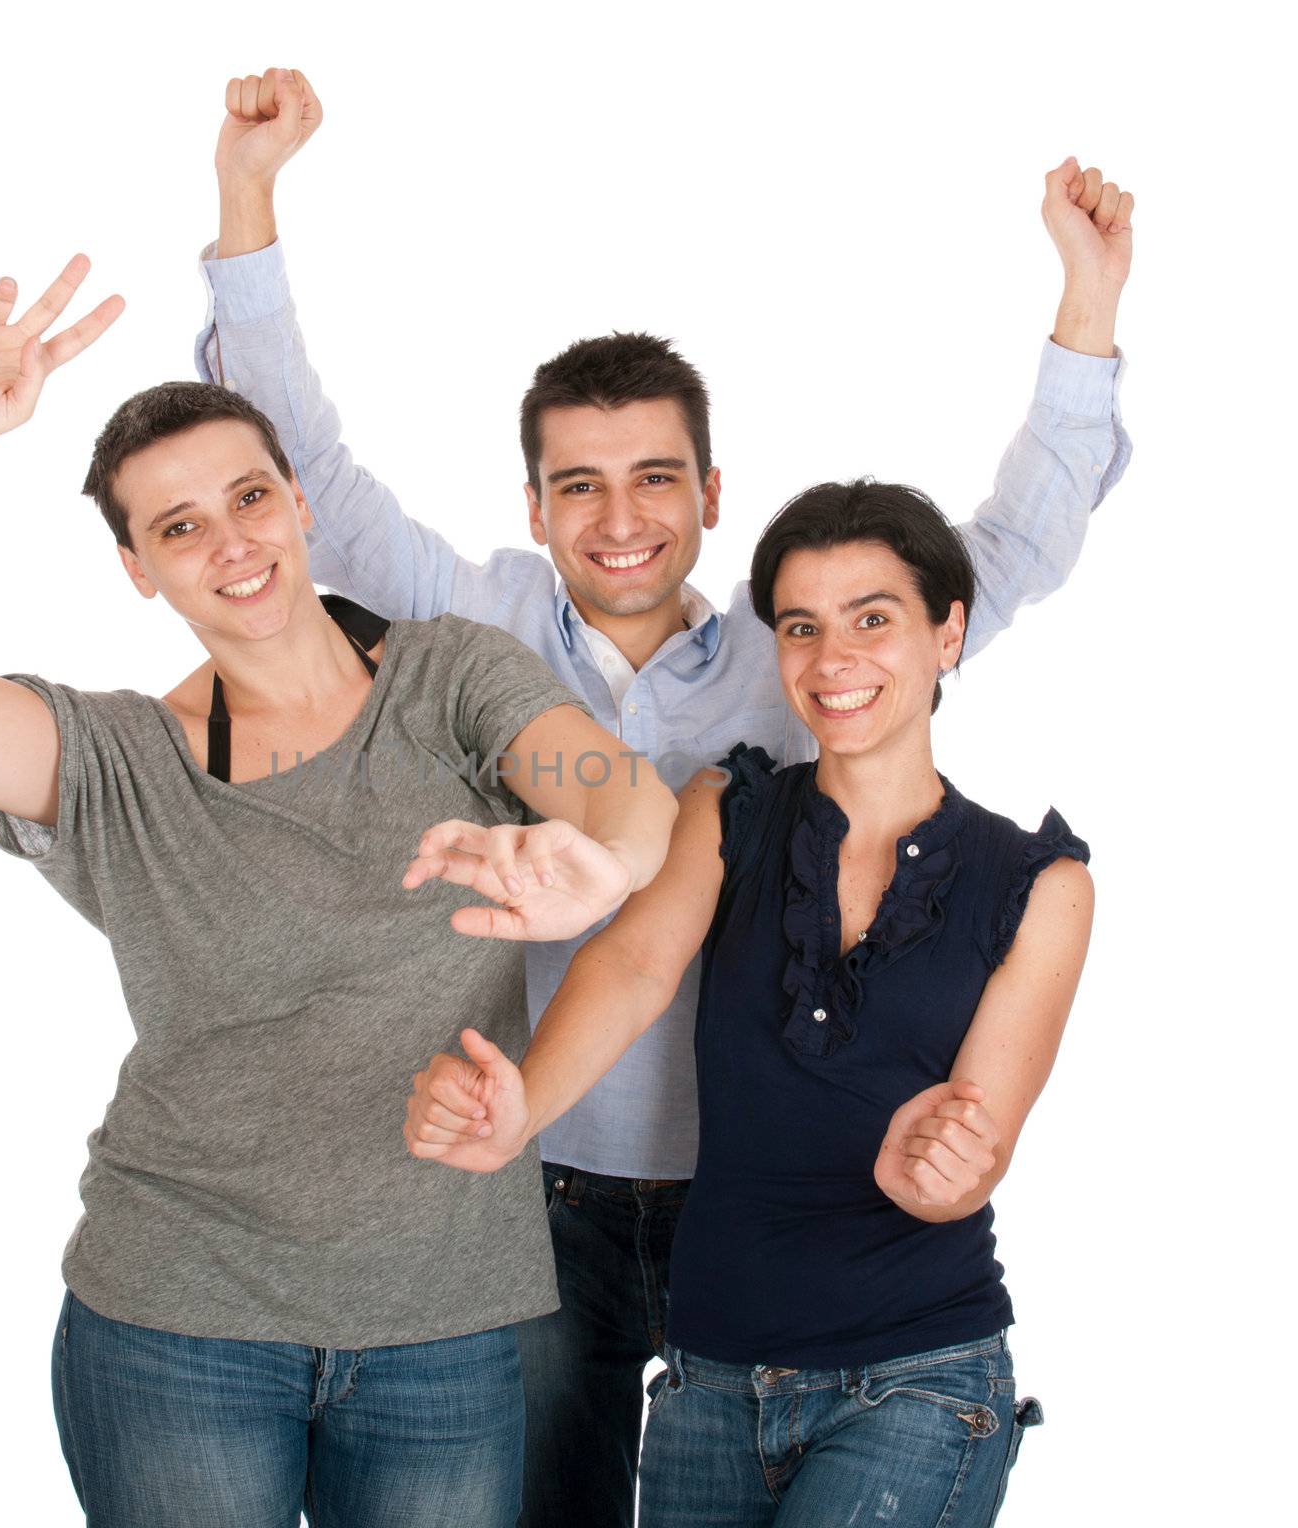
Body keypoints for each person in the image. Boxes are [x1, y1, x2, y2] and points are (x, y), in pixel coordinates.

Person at [196, 66, 1132, 1526]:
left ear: (711, 491)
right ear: (533, 508)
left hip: (756, 1204)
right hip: (543, 1191)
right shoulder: (478, 626)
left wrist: (1086, 310)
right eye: (578, 486)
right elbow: (306, 470)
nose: (619, 520)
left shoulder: (807, 649)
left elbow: (1006, 549)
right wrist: (248, 203)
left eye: (653, 480)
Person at [0, 254, 677, 1527]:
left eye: (249, 497)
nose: (231, 542)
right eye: (179, 527)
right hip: (176, 1323)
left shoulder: (452, 678)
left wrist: (601, 868)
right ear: (138, 567)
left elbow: (627, 793)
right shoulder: (116, 761)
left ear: (298, 502)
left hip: (444, 1328)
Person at [405, 476, 1094, 1526]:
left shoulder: (1039, 884)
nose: (833, 660)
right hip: (711, 1381)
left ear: (947, 634)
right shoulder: (727, 806)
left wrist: (940, 1166)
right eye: (802, 627)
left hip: (916, 1371)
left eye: (874, 618)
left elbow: (977, 1146)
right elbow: (635, 964)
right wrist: (520, 1110)